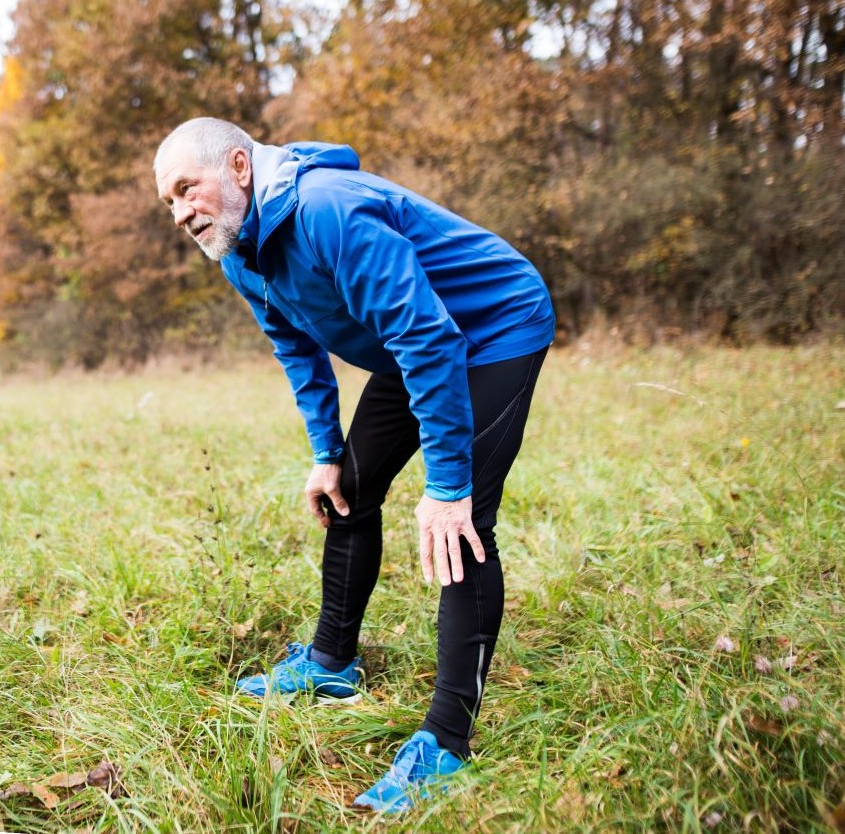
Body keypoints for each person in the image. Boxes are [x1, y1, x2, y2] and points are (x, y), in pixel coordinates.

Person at [152, 117, 555, 814]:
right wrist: (324, 453)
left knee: (461, 526)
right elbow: (296, 350)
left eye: (188, 189)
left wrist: (448, 484)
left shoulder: (330, 209)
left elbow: (428, 335)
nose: (182, 213)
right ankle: (333, 662)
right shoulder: (240, 251)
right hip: (414, 342)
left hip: (492, 329)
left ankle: (446, 741)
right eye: (169, 203)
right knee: (350, 491)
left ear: (240, 168)